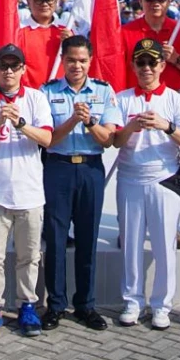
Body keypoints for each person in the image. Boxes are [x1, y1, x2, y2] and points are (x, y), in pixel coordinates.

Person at [0, 44, 53, 338]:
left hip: (29, 193)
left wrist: (21, 123)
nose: (8, 71)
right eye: (3, 66)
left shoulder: (37, 99)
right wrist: (0, 120)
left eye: (14, 66)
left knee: (29, 256)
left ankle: (27, 305)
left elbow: (47, 139)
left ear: (22, 69)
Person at [112, 39, 180, 330]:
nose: (147, 68)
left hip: (164, 177)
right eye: (141, 63)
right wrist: (130, 127)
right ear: (134, 65)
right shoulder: (122, 99)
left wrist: (166, 126)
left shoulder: (176, 99)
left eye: (152, 62)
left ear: (162, 65)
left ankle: (162, 305)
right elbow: (114, 141)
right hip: (130, 177)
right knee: (131, 244)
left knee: (164, 245)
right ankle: (133, 300)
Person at [40, 35, 121, 332]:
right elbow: (47, 139)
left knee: (88, 238)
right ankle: (56, 305)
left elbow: (108, 139)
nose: (77, 65)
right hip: (57, 168)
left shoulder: (103, 91)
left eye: (83, 60)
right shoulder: (47, 92)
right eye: (71, 60)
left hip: (90, 170)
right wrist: (71, 122)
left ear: (90, 61)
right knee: (57, 240)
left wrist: (88, 122)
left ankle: (86, 304)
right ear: (62, 60)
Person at [18, 0, 69, 89]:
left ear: (56, 1)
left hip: (61, 97)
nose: (45, 3)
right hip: (30, 98)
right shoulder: (19, 33)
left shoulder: (66, 32)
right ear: (28, 1)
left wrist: (71, 45)